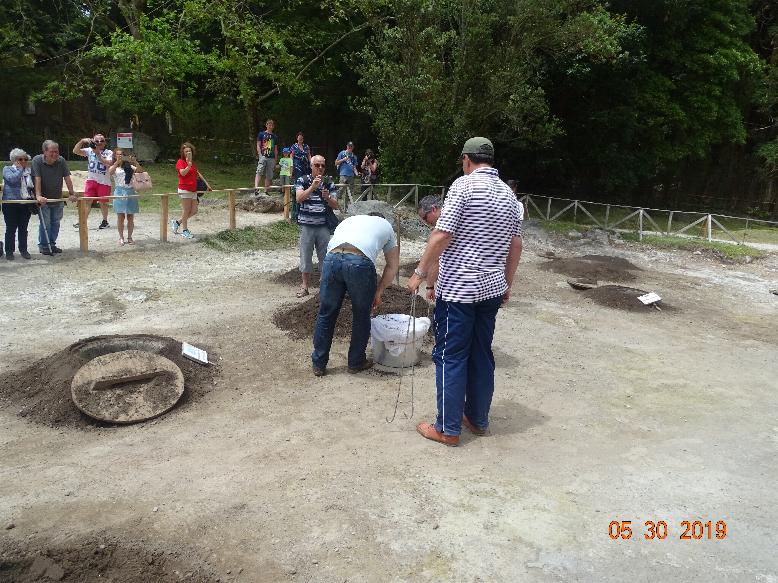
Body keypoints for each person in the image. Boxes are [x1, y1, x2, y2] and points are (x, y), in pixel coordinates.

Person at [407, 137, 523, 447]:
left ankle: (447, 428)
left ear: (466, 160)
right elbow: (515, 245)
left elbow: (442, 234)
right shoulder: (509, 196)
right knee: (481, 354)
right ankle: (478, 419)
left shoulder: (464, 186)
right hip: (491, 289)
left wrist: (419, 273)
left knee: (450, 355)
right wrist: (507, 284)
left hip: (459, 290)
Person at [311, 212, 400, 376]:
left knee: (326, 313)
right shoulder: (386, 226)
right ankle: (356, 362)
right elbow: (393, 266)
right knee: (361, 314)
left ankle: (318, 364)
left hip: (331, 260)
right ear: (380, 219)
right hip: (359, 263)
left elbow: (331, 252)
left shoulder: (350, 221)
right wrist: (378, 292)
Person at [295, 154, 339, 298]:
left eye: (323, 165)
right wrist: (312, 187)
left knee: (325, 257)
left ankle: (323, 286)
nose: (320, 168)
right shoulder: (302, 180)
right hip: (306, 225)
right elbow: (298, 198)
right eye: (317, 165)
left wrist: (327, 198)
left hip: (323, 226)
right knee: (305, 256)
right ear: (311, 166)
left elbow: (335, 205)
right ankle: (305, 286)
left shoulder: (329, 182)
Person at [31, 140, 77, 255]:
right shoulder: (37, 160)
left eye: (56, 151)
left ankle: (51, 244)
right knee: (46, 223)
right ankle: (44, 245)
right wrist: (38, 196)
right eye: (52, 151)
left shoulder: (61, 161)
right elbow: (37, 179)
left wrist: (72, 193)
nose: (55, 154)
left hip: (57, 198)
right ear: (45, 151)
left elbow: (67, 178)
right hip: (44, 200)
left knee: (56, 222)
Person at [72, 134, 113, 229]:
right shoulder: (89, 150)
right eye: (96, 141)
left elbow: (108, 163)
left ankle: (105, 221)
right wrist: (82, 141)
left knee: (103, 202)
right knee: (87, 201)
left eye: (101, 141)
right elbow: (75, 151)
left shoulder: (108, 152)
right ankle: (82, 221)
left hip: (104, 181)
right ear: (93, 142)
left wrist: (98, 153)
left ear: (105, 142)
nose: (99, 143)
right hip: (91, 180)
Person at [173, 142, 210, 239]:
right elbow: (183, 173)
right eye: (186, 151)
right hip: (185, 189)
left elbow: (198, 174)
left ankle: (177, 222)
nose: (188, 153)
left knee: (194, 210)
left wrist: (206, 184)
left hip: (193, 189)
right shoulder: (180, 162)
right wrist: (188, 166)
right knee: (186, 210)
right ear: (183, 153)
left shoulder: (193, 163)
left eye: (189, 151)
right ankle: (185, 230)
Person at [2, 148, 35, 260]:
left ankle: (23, 250)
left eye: (25, 159)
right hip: (10, 203)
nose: (23, 161)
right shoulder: (7, 169)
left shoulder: (29, 171)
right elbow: (12, 180)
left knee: (23, 228)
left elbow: (32, 186)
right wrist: (20, 170)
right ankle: (9, 251)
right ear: (14, 160)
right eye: (20, 159)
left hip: (25, 203)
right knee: (11, 228)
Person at [108, 148, 144, 245]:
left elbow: (140, 171)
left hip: (130, 191)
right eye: (118, 154)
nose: (120, 156)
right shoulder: (114, 166)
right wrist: (117, 163)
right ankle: (121, 237)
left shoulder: (128, 165)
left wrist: (135, 162)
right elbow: (109, 172)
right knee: (120, 216)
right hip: (119, 191)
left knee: (130, 216)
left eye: (121, 154)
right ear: (115, 156)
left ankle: (130, 237)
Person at [255, 119, 278, 190]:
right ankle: (256, 188)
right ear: (266, 125)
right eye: (269, 125)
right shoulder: (261, 134)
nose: (270, 126)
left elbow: (275, 149)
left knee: (269, 175)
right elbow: (258, 145)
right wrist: (260, 154)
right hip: (263, 156)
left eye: (272, 125)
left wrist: (275, 160)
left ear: (273, 126)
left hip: (271, 158)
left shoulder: (275, 137)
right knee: (259, 171)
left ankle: (266, 191)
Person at [279, 147, 294, 217]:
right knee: (282, 184)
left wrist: (291, 173)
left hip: (287, 173)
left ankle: (288, 194)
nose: (285, 154)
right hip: (282, 173)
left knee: (287, 184)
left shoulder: (290, 159)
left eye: (287, 153)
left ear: (288, 153)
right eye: (284, 152)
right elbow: (279, 165)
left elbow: (291, 167)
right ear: (283, 153)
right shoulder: (281, 159)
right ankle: (283, 193)